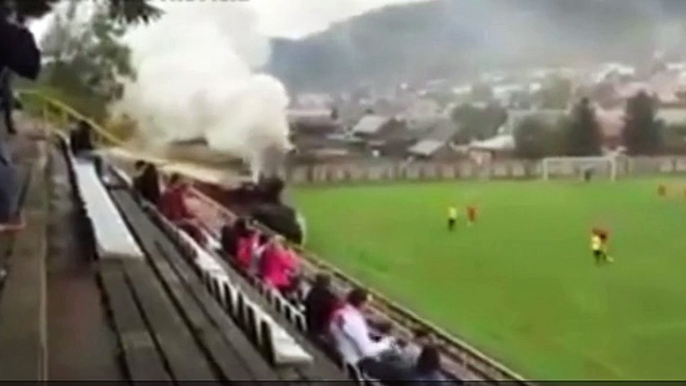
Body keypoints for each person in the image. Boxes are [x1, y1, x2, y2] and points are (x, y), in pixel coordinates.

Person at [329, 288, 410, 383]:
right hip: (360, 363)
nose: (368, 307)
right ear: (361, 303)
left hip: (346, 354)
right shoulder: (354, 320)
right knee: (401, 370)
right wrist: (386, 343)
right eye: (367, 304)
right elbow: (367, 351)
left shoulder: (342, 312)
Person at [160, 173, 204, 246]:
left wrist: (192, 216)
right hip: (173, 223)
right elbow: (165, 217)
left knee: (196, 226)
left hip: (179, 222)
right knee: (193, 227)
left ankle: (199, 244)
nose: (187, 191)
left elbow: (184, 211)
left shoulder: (178, 196)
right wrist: (185, 221)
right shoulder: (168, 195)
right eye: (186, 187)